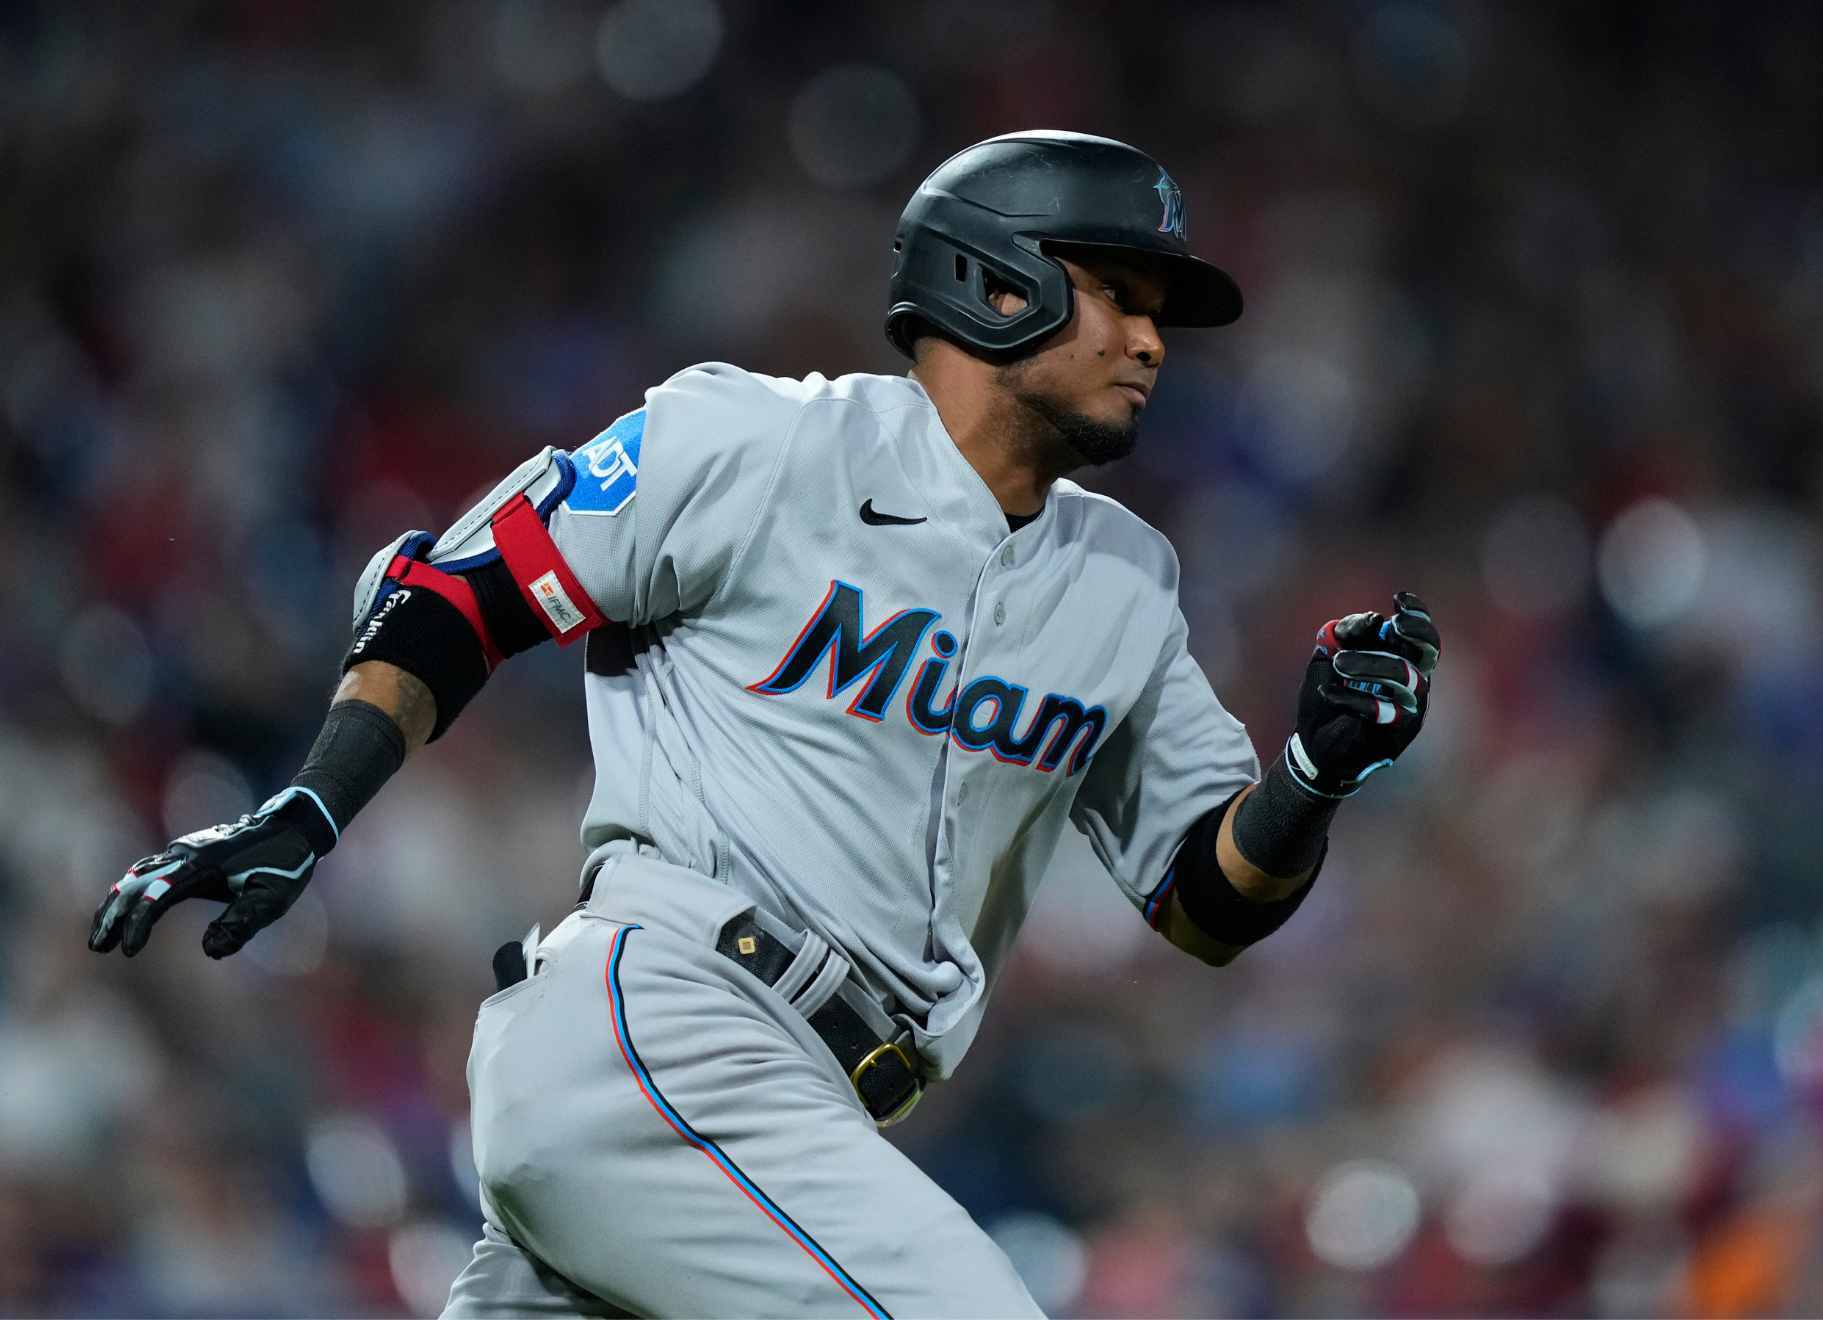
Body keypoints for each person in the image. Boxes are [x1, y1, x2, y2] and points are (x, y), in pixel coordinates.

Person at [87, 131, 1441, 1318]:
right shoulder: (763, 445)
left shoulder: (1126, 584)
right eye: (1117, 294)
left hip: (789, 1115)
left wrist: (1313, 774)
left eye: (1160, 313)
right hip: (667, 1029)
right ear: (992, 280)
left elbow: (1207, 898)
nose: (1151, 340)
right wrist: (313, 801)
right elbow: (464, 590)